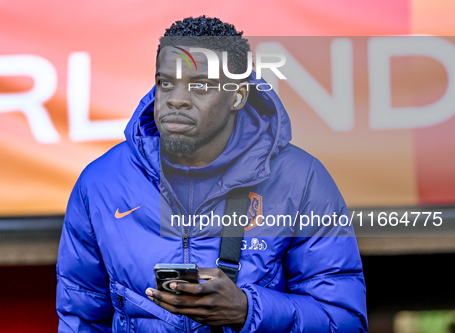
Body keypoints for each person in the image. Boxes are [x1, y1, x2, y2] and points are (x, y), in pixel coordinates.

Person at [56, 16, 368, 332]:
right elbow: (79, 319)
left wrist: (248, 310)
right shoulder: (100, 182)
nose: (176, 99)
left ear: (237, 96)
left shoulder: (302, 179)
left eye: (200, 85)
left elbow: (343, 321)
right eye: (166, 82)